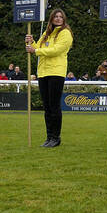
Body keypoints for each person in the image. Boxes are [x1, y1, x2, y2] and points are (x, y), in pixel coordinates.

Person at [27, 8, 73, 147]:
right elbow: (37, 48)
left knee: (54, 105)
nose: (58, 19)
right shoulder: (46, 34)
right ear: (52, 19)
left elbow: (56, 50)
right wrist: (31, 42)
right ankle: (49, 137)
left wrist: (36, 50)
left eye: (61, 17)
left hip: (56, 72)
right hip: (43, 73)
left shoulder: (65, 33)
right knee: (47, 107)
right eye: (55, 16)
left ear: (64, 19)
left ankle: (55, 137)